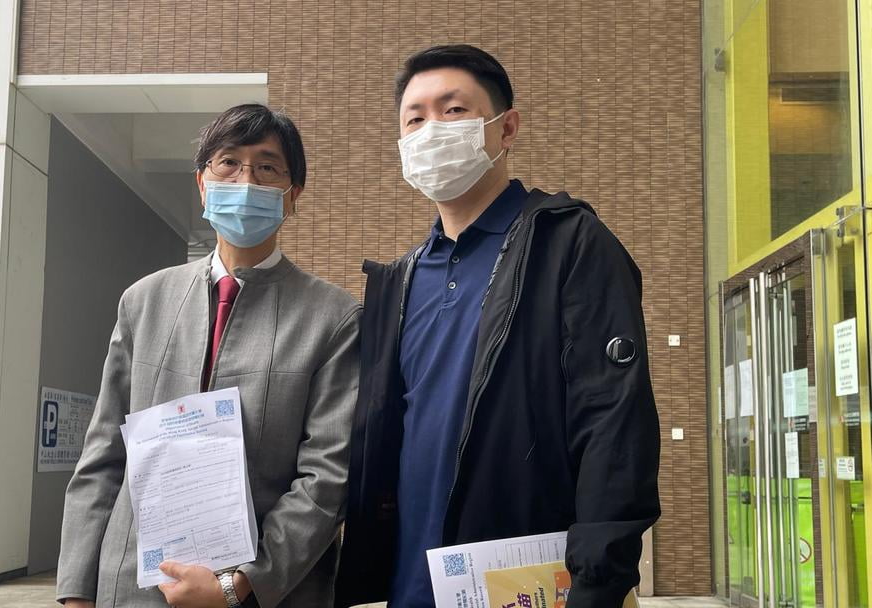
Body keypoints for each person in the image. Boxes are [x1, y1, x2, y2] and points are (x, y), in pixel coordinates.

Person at [335, 45, 660, 608]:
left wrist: (598, 584)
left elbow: (613, 421)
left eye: (453, 111)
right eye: (415, 119)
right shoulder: (401, 279)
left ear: (506, 128)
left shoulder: (567, 243)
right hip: (415, 584)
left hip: (530, 583)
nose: (431, 130)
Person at [57, 104, 360, 608]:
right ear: (202, 184)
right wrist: (76, 589)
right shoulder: (143, 301)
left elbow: (328, 476)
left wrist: (240, 585)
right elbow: (104, 453)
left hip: (266, 591)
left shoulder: (334, 317)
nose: (246, 180)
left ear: (293, 195)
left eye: (267, 167)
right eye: (228, 163)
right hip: (134, 584)